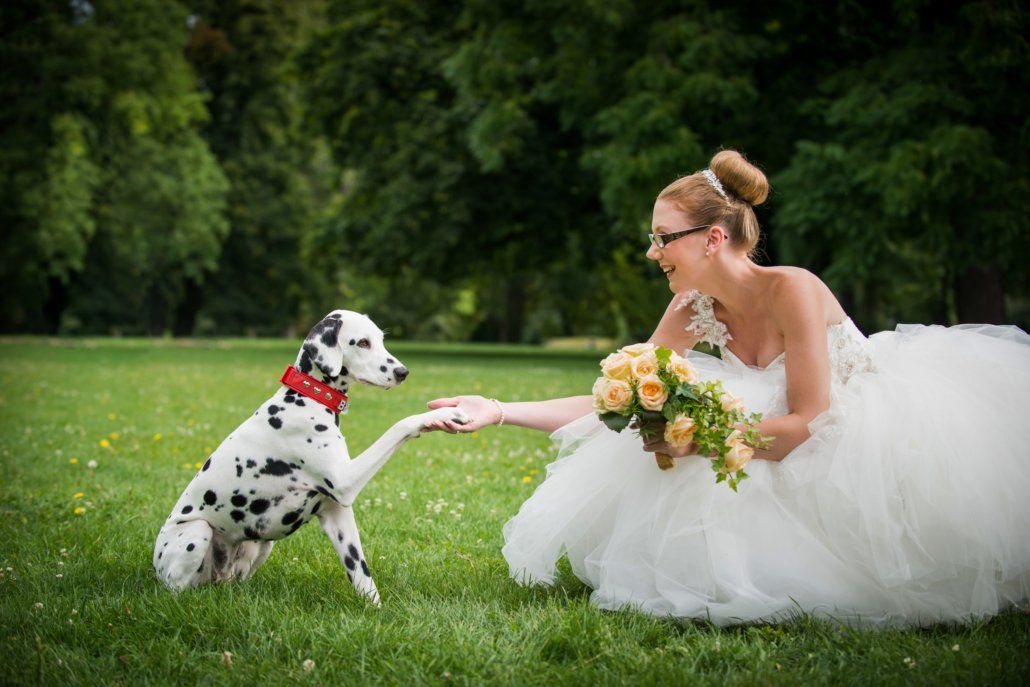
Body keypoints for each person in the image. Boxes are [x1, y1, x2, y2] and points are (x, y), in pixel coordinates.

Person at [423, 150, 1030, 627]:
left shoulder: (792, 288)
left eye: (663, 237)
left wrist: (700, 441)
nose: (652, 251)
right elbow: (616, 399)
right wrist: (497, 410)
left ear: (712, 238)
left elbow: (809, 422)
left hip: (863, 436)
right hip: (771, 431)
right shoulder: (692, 306)